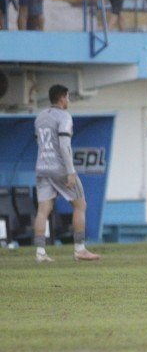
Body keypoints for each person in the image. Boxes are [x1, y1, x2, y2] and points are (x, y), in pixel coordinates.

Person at [32, 85, 100, 263]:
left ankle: (40, 252)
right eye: (68, 97)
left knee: (43, 210)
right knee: (80, 205)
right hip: (60, 168)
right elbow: (63, 145)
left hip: (41, 167)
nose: (68, 101)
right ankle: (79, 249)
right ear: (62, 98)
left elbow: (39, 142)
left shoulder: (40, 117)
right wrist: (70, 171)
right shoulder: (64, 116)